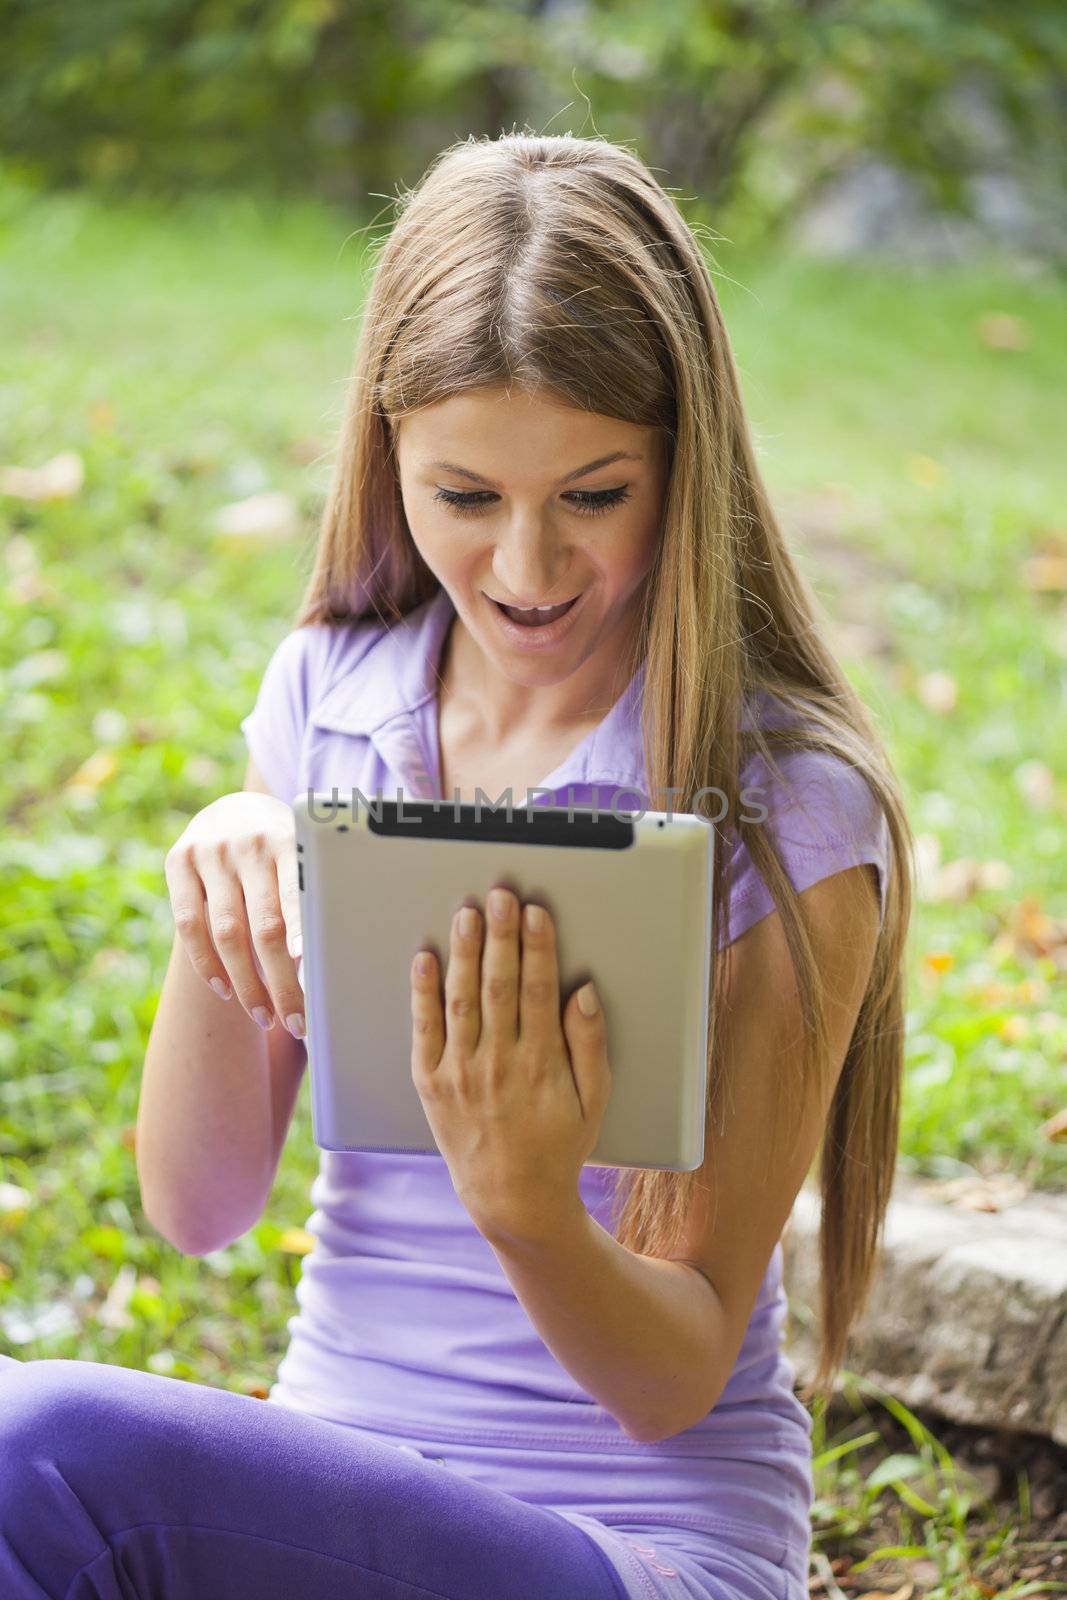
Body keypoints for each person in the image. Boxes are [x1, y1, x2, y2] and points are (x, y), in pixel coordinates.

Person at [0, 131, 913, 1600]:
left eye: (595, 497)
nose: (530, 570)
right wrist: (216, 893)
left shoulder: (786, 802)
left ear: (688, 468)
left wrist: (530, 1204)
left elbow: (674, 1376)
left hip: (633, 1549)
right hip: (329, 1495)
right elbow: (198, 1201)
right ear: (388, 455)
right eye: (467, 498)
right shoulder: (332, 696)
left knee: (31, 1443)